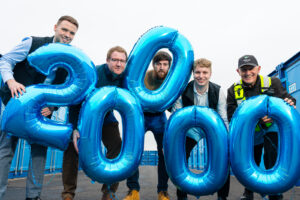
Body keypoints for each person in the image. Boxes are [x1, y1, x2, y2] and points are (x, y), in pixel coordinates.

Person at [0, 16, 79, 200]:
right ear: (55, 28)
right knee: (5, 152)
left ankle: (33, 196)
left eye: (71, 33)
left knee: (39, 154)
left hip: (41, 112)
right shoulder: (32, 43)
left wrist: (52, 106)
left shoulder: (70, 58)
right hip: (15, 105)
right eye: (64, 30)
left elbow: (69, 88)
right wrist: (10, 81)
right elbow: (5, 60)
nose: (67, 35)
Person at [61, 46, 127, 200]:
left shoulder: (125, 78)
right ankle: (68, 193)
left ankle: (109, 192)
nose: (118, 64)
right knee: (71, 148)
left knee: (117, 147)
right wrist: (75, 128)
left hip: (106, 118)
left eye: (122, 61)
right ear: (107, 61)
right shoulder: (93, 74)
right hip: (84, 116)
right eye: (115, 60)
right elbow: (75, 100)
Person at [227, 55, 296, 200]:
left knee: (271, 157)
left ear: (258, 69)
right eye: (243, 69)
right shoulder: (233, 90)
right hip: (250, 133)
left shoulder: (273, 82)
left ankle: (274, 192)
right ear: (238, 71)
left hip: (270, 128)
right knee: (251, 159)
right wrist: (255, 118)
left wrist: (290, 101)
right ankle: (248, 191)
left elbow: (287, 99)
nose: (247, 73)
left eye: (251, 68)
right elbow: (231, 116)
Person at [172, 58, 229, 200]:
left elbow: (223, 117)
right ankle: (181, 196)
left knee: (223, 160)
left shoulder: (218, 91)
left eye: (205, 72)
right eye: (197, 72)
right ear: (193, 73)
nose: (201, 76)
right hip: (191, 131)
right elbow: (177, 117)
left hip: (213, 131)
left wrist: (226, 140)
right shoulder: (183, 90)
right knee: (180, 158)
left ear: (210, 74)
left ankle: (222, 197)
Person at [123, 51, 172, 200]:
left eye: (165, 65)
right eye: (159, 64)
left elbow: (172, 104)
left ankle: (162, 191)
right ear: (154, 65)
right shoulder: (145, 76)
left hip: (159, 117)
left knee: (164, 153)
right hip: (142, 116)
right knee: (133, 152)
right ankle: (133, 190)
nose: (162, 67)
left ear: (169, 66)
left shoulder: (171, 80)